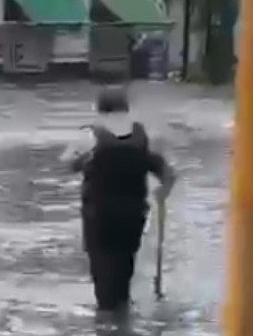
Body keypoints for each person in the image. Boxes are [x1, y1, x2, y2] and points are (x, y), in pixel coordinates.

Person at [61, 86, 175, 312]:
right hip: (134, 216)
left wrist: (83, 161)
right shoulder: (143, 135)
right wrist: (163, 192)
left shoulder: (90, 135)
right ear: (126, 107)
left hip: (101, 218)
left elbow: (67, 163)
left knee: (103, 279)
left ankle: (109, 331)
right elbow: (167, 173)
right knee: (124, 269)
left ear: (100, 108)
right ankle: (123, 317)